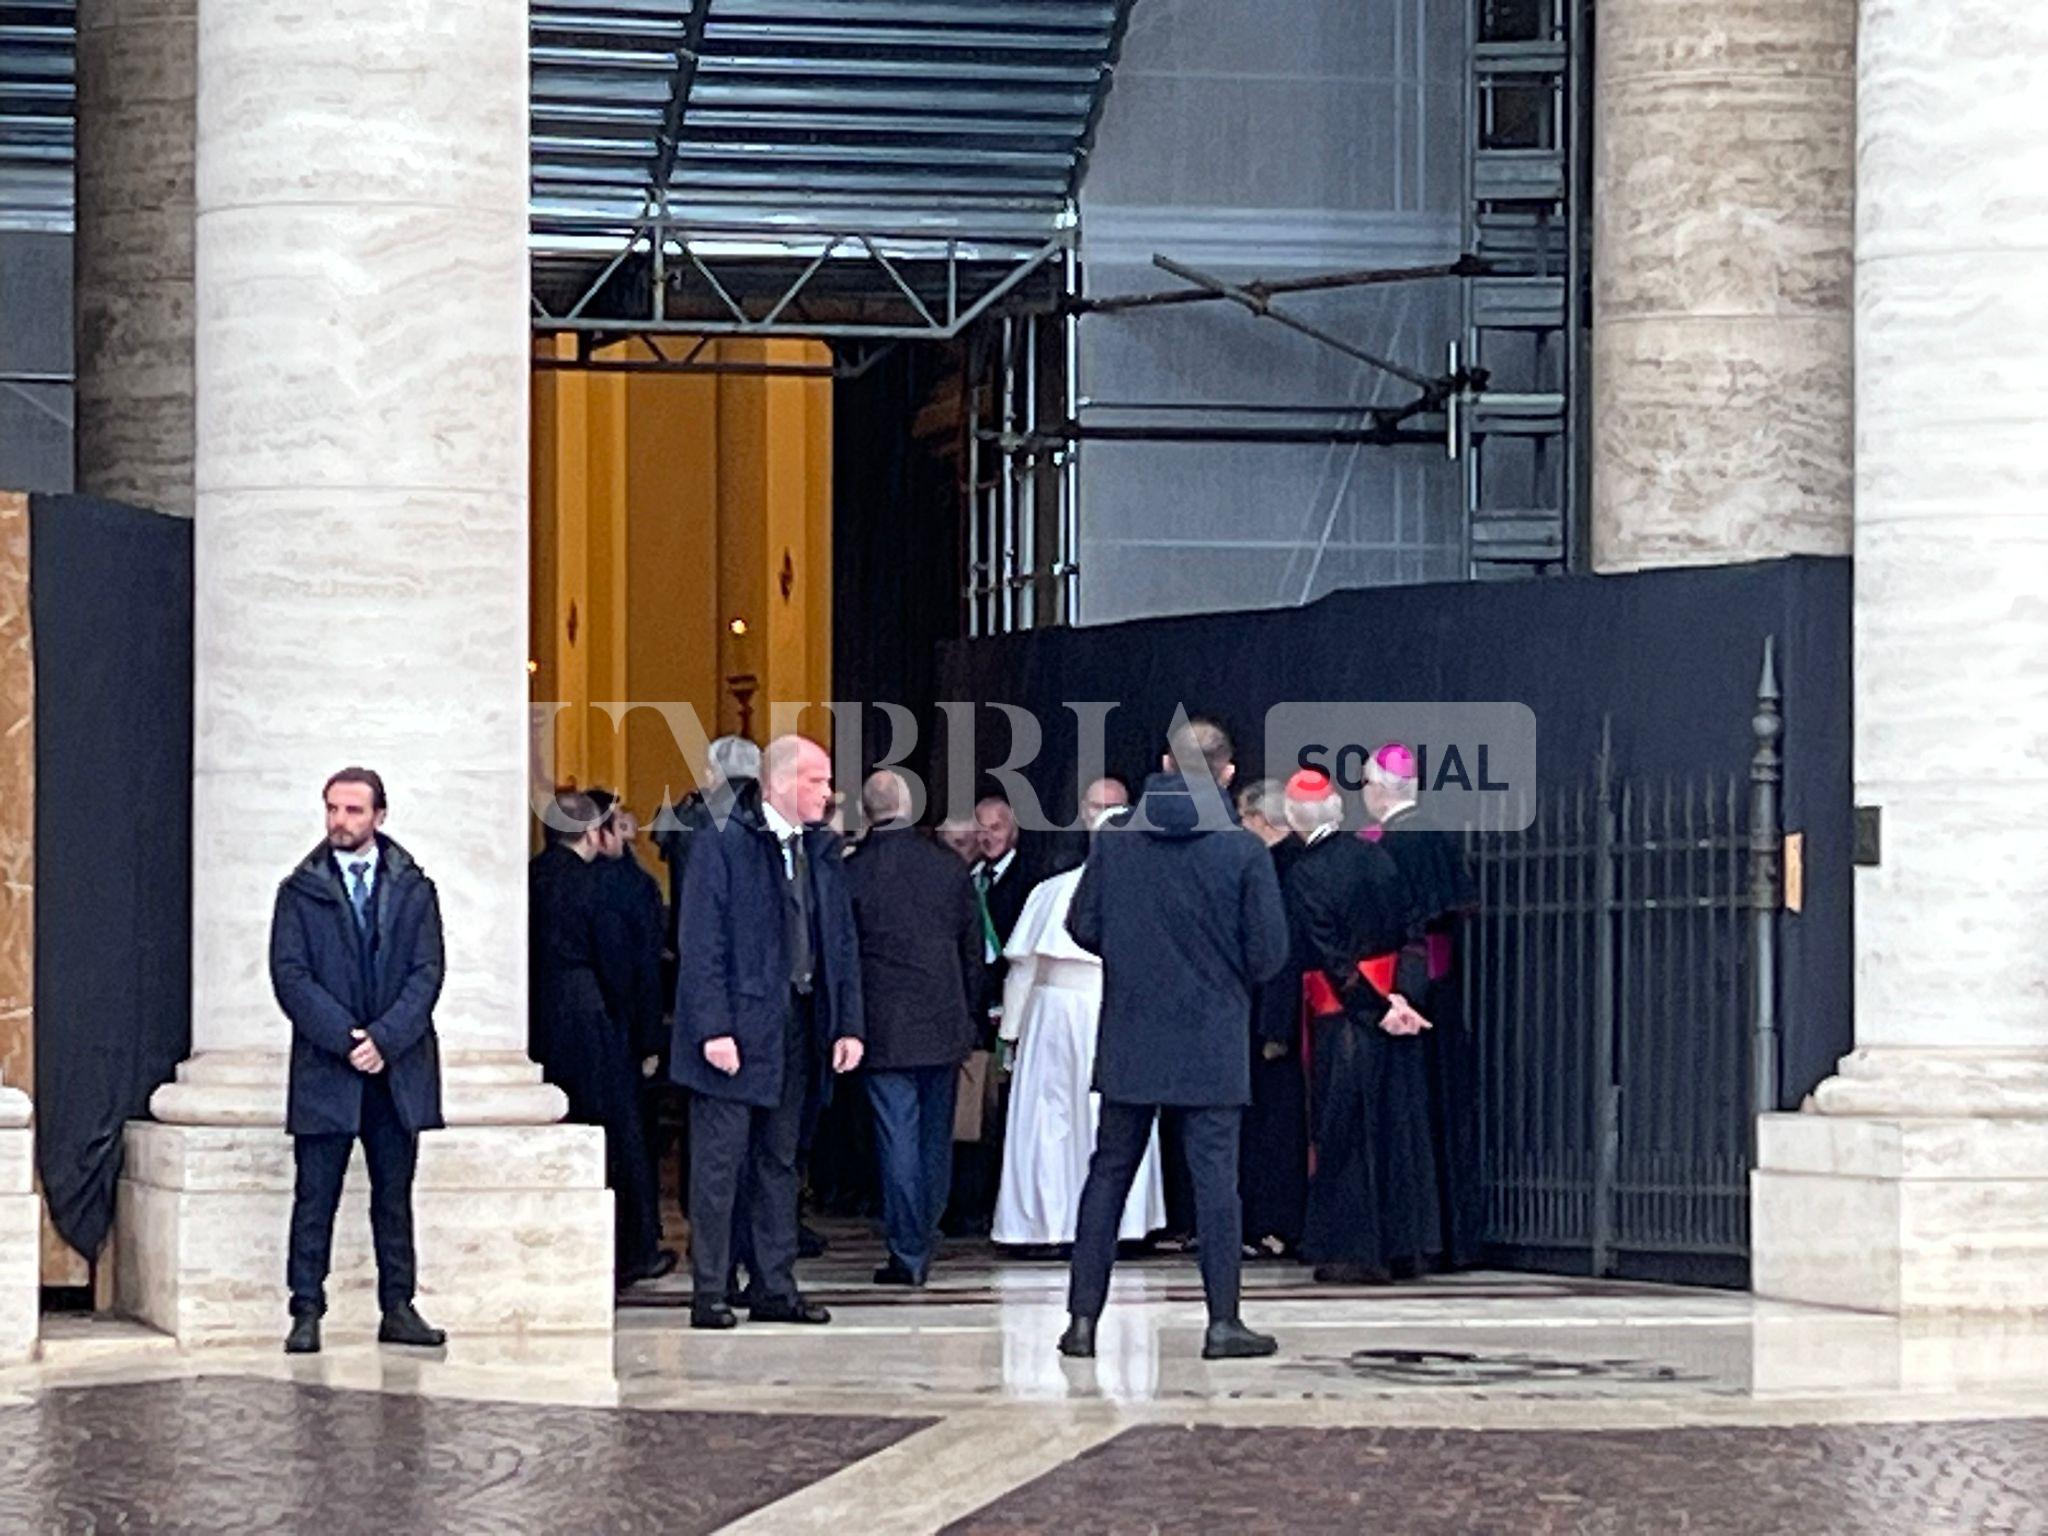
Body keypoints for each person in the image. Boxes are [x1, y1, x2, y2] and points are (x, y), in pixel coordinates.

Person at [1058, 718, 1289, 1362]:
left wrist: (1134, 961)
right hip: (1211, 1036)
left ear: (1164, 761)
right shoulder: (1242, 850)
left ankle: (1081, 1322)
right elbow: (1270, 953)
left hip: (1131, 1030)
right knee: (1216, 1183)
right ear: (1227, 774)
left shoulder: (1116, 842)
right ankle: (1222, 1323)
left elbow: (1083, 925)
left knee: (1108, 1175)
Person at [672, 734, 864, 1329]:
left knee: (779, 1162)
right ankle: (711, 1288)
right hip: (735, 1027)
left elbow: (841, 942)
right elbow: (701, 940)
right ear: (780, 783)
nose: (829, 793)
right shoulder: (723, 840)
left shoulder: (820, 850)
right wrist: (712, 1027)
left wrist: (846, 1023)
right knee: (719, 1165)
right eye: (817, 781)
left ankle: (774, 1284)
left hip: (797, 1025)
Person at [271, 767, 447, 1355]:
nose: (339, 821)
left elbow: (427, 972)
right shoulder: (300, 889)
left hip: (397, 1070)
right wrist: (348, 1039)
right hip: (329, 1068)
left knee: (393, 1194)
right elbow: (291, 977)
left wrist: (386, 1039)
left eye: (352, 810)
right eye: (332, 809)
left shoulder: (413, 886)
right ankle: (306, 1308)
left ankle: (398, 1305)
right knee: (314, 1194)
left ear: (379, 816)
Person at [993, 783, 1168, 1251]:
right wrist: (1010, 1036)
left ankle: (1122, 1226)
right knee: (1050, 1123)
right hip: (1051, 1015)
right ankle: (1048, 1225)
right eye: (1097, 807)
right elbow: (1024, 968)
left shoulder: (1148, 890)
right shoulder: (1049, 893)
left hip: (1114, 1009)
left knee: (1109, 1121)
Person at [1282, 768, 1439, 1285]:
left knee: (1345, 1132)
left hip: (1348, 1015)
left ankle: (1352, 1251)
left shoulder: (1305, 875)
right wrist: (1404, 998)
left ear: (1292, 819)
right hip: (1395, 1004)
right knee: (1397, 1127)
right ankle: (1405, 1246)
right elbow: (1414, 930)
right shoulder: (1378, 856)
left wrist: (1376, 1008)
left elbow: (1332, 957)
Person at [843, 771, 983, 1286]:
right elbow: (972, 951)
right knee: (933, 1139)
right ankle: (925, 1233)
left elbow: (843, 959)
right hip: (944, 1021)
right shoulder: (948, 869)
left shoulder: (853, 872)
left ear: (868, 812)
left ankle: (908, 1250)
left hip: (882, 1026)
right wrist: (969, 1013)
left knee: (896, 1137)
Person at [1364, 744, 1482, 1268]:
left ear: (1380, 791)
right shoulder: (1436, 833)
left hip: (1405, 987)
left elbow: (1395, 924)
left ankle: (1418, 1242)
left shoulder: (1393, 843)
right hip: (1443, 983)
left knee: (1411, 1114)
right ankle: (1456, 1239)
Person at [1235, 778, 1308, 1258]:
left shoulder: (1278, 870)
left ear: (1261, 820)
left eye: (1243, 819)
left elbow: (1283, 952)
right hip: (1285, 1013)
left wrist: (1274, 1027)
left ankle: (1274, 1221)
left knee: (1276, 1123)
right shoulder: (1295, 862)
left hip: (1276, 1016)